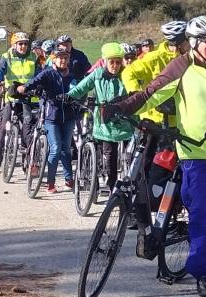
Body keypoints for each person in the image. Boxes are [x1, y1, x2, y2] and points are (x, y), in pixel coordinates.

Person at [103, 15, 206, 297]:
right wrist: (122, 107)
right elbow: (150, 93)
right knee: (199, 215)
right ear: (193, 42)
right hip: (194, 154)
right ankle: (201, 273)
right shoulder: (181, 66)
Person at [69, 42, 133, 194]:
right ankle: (112, 189)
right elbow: (81, 88)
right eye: (112, 62)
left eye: (118, 62)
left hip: (124, 120)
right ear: (105, 61)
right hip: (105, 123)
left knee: (131, 155)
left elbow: (137, 90)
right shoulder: (97, 74)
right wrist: (68, 96)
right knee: (110, 155)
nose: (115, 66)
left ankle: (130, 185)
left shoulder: (127, 74)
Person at [20, 46, 78, 193]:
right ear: (54, 59)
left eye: (65, 58)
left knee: (66, 149)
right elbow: (36, 80)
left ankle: (69, 180)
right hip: (52, 117)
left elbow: (77, 89)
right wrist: (25, 87)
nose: (63, 60)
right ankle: (50, 183)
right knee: (56, 148)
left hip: (69, 117)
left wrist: (74, 97)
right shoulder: (48, 73)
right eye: (60, 58)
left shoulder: (71, 77)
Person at [121, 20, 189, 129]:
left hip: (179, 119)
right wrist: (135, 94)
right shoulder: (154, 57)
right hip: (154, 121)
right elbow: (128, 72)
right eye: (189, 40)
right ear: (179, 43)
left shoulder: (188, 58)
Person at [0, 33, 41, 166]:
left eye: (25, 44)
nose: (23, 46)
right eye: (20, 44)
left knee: (28, 127)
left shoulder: (33, 57)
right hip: (12, 95)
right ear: (14, 45)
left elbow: (39, 74)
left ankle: (28, 161)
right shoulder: (6, 56)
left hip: (27, 96)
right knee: (4, 124)